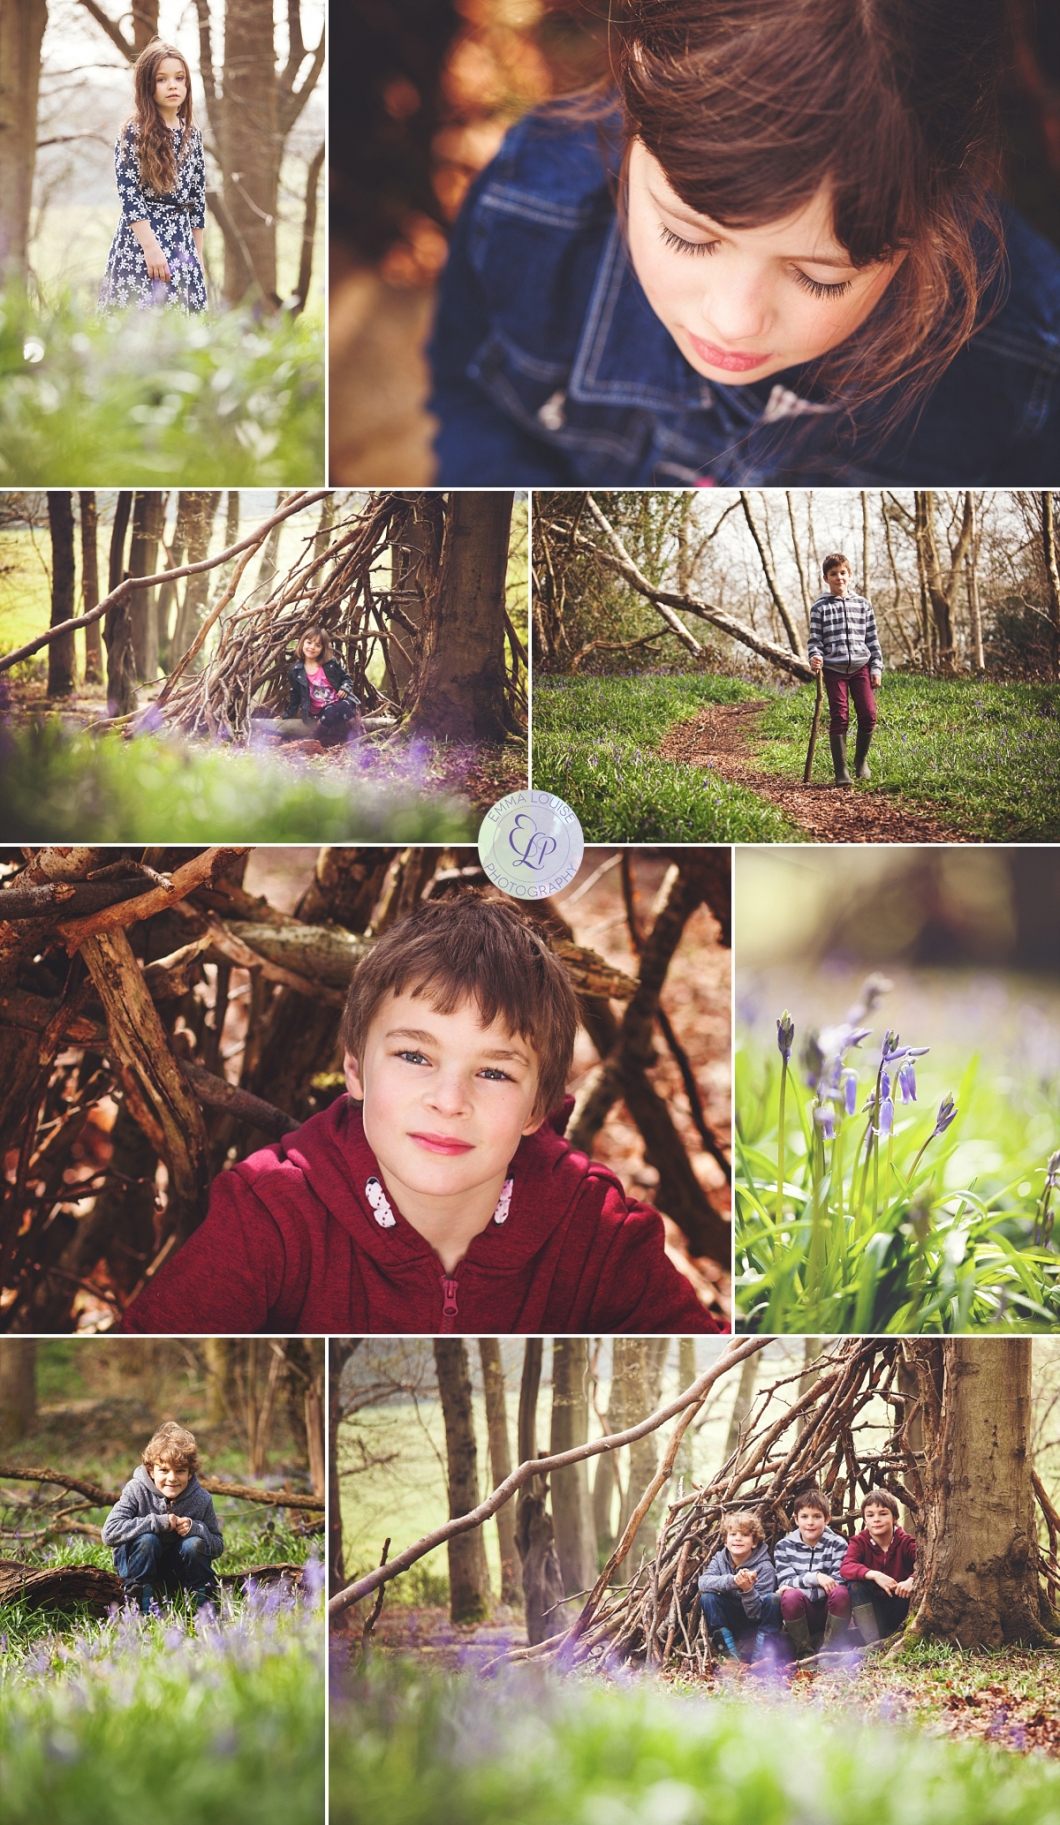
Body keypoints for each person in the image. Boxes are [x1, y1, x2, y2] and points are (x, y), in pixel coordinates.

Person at [428, 0, 1060, 486]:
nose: (732, 322)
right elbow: (469, 397)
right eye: (686, 235)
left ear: (939, 204)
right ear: (635, 85)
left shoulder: (1020, 360)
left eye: (821, 277)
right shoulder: (530, 209)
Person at [121, 893, 724, 1335]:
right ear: (355, 1069)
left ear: (539, 1105)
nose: (449, 1100)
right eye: (415, 1055)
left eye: (494, 1072)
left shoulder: (595, 1234)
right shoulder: (274, 1216)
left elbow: (712, 1365)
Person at [98, 40, 207, 315]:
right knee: (138, 325)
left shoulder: (192, 135)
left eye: (179, 78)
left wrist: (197, 257)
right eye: (162, 79)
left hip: (182, 243)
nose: (173, 85)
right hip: (141, 244)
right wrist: (151, 248)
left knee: (183, 334)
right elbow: (129, 194)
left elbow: (197, 202)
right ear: (148, 86)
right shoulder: (133, 132)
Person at [101, 1421, 223, 1613]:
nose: (172, 1478)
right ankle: (139, 1607)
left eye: (180, 1470)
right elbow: (109, 1534)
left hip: (174, 1569)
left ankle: (205, 1609)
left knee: (195, 1544)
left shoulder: (201, 1499)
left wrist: (195, 1528)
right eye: (164, 1470)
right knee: (148, 1539)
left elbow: (217, 1547)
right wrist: (157, 1522)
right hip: (134, 1564)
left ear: (190, 1473)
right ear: (151, 1470)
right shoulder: (136, 1490)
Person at [807, 553, 882, 787]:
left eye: (842, 573)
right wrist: (816, 656)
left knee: (868, 714)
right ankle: (841, 771)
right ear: (825, 578)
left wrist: (876, 668)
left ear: (849, 575)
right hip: (834, 669)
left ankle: (860, 761)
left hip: (861, 666)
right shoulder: (820, 608)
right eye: (833, 574)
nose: (839, 577)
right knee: (840, 716)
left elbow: (872, 639)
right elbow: (815, 641)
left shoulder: (863, 605)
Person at [773, 1485, 851, 1658]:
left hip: (829, 1611)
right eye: (804, 1517)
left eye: (817, 1516)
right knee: (790, 1596)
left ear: (827, 1519)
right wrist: (815, 1577)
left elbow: (838, 1582)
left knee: (842, 1592)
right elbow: (785, 1582)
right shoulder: (783, 1547)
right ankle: (804, 1653)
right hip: (801, 1613)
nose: (810, 1522)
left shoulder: (838, 1544)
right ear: (796, 1519)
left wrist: (800, 1584)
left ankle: (830, 1651)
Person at [255, 627, 363, 747]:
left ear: (322, 649)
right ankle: (314, 737)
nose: (312, 647)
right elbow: (295, 696)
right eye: (309, 642)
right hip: (323, 709)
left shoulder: (330, 664)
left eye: (317, 645)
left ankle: (361, 736)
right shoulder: (296, 671)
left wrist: (344, 688)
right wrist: (286, 715)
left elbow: (346, 679)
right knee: (330, 711)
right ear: (302, 643)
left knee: (344, 705)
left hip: (341, 702)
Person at [698, 1511, 779, 1661]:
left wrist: (748, 1589)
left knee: (773, 1599)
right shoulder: (720, 1560)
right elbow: (703, 1583)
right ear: (725, 1540)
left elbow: (756, 1615)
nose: (738, 1539)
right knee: (708, 1598)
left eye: (745, 1535)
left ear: (754, 1542)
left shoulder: (764, 1567)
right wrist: (734, 1581)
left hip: (756, 1624)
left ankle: (761, 1657)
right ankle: (730, 1656)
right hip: (731, 1621)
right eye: (733, 1534)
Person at [840, 1487, 916, 1644]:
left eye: (883, 1514)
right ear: (865, 1520)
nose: (876, 1519)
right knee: (855, 1585)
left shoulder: (906, 1543)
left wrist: (912, 1580)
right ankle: (872, 1643)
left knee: (911, 1589)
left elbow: (925, 1564)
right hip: (872, 1608)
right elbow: (846, 1566)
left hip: (900, 1605)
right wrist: (875, 1575)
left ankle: (899, 1635)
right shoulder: (859, 1542)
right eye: (870, 1515)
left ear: (895, 1517)